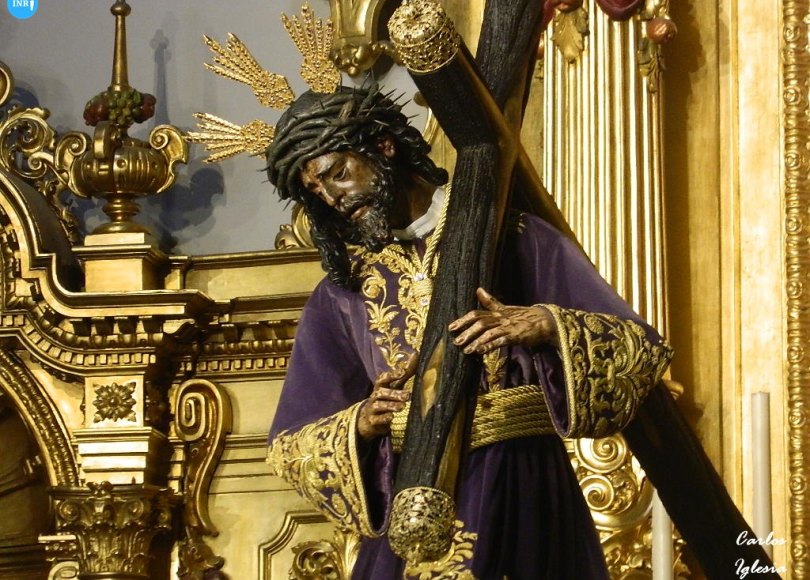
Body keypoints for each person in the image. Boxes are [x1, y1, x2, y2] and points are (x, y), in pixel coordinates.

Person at [265, 84, 672, 579]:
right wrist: (362, 424)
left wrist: (547, 324)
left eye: (338, 173)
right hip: (414, 502)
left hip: (522, 484)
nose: (334, 198)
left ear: (383, 146)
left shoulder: (513, 236)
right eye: (317, 192)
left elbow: (639, 350)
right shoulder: (342, 293)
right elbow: (290, 445)